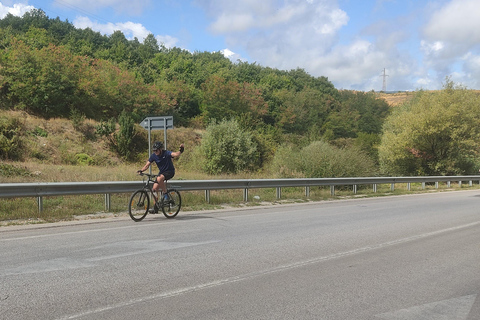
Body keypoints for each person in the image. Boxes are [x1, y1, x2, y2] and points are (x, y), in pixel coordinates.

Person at [137, 141, 184, 206]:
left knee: (159, 178)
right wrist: (141, 170)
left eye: (156, 150)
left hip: (170, 171)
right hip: (162, 173)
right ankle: (155, 207)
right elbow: (147, 165)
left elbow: (176, 154)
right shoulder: (153, 156)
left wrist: (181, 150)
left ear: (160, 149)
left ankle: (165, 194)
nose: (155, 152)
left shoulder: (166, 153)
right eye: (154, 151)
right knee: (154, 189)